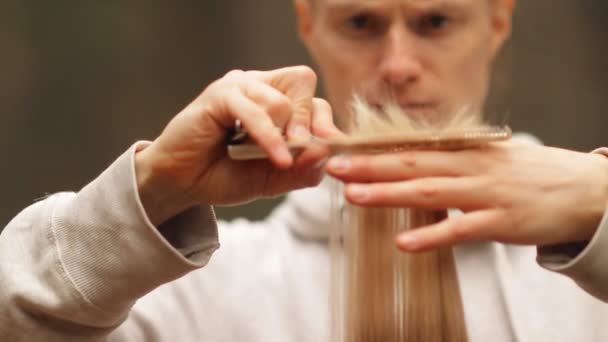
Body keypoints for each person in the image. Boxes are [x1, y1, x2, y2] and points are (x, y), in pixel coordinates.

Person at [1, 0, 608, 341]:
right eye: (361, 24)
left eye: (436, 23)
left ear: (499, 21)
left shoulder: (588, 275)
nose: (398, 66)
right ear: (307, 25)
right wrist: (153, 188)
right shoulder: (198, 291)